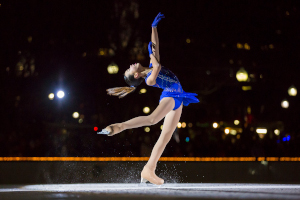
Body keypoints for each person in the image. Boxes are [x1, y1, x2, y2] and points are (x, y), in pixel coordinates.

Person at [98, 13, 199, 185]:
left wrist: (154, 27)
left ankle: (149, 169)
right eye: (129, 70)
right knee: (152, 119)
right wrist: (153, 56)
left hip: (179, 98)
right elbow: (157, 65)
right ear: (136, 75)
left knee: (165, 137)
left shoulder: (151, 65)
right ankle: (120, 126)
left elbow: (155, 45)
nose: (130, 66)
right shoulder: (150, 79)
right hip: (171, 96)